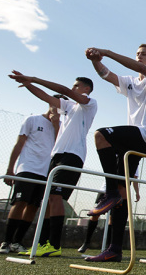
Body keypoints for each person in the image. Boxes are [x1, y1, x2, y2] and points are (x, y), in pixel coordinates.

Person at [84, 43, 146, 262]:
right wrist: (95, 59)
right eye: (137, 54)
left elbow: (130, 66)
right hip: (129, 145)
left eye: (144, 55)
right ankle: (114, 249)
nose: (140, 57)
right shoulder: (130, 82)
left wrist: (108, 53)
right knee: (122, 194)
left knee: (101, 135)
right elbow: (107, 75)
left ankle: (109, 191)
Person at [8, 72, 98, 257]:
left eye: (76, 86)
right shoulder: (67, 107)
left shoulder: (88, 104)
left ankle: (54, 244)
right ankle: (43, 244)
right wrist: (28, 84)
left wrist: (34, 78)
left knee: (56, 198)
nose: (71, 88)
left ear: (86, 89)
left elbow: (63, 90)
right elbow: (46, 96)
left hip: (72, 155)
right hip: (57, 156)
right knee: (47, 200)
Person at [0, 101, 60, 254]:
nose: (57, 108)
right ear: (49, 104)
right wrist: (10, 169)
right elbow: (19, 143)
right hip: (27, 168)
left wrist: (56, 125)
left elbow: (59, 146)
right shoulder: (32, 119)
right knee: (20, 202)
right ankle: (6, 242)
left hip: (46, 173)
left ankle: (17, 242)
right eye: (55, 104)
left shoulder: (61, 126)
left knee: (33, 207)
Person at [78, 173, 140, 254]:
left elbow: (134, 179)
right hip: (105, 190)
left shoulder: (134, 164)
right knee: (95, 214)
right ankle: (86, 242)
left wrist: (137, 192)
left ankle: (108, 246)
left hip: (120, 193)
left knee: (112, 218)